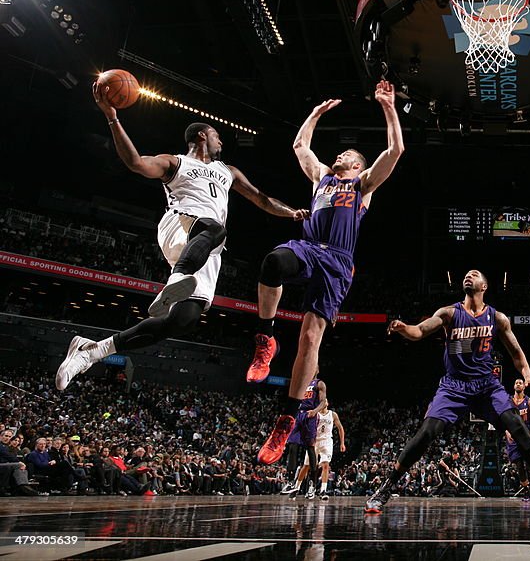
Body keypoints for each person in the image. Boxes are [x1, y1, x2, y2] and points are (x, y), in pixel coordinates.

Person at [56, 86, 307, 391]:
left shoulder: (228, 171)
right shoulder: (175, 162)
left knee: (183, 320)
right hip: (180, 226)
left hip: (208, 250)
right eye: (217, 135)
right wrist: (112, 118)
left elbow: (262, 199)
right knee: (215, 228)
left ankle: (93, 350)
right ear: (201, 135)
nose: (221, 140)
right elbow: (136, 163)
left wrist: (292, 212)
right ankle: (179, 276)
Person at [254, 81, 404, 464]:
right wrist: (316, 114)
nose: (339, 154)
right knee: (272, 262)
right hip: (308, 248)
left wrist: (387, 106)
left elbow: (395, 150)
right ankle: (265, 339)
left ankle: (286, 418)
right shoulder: (321, 176)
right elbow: (300, 147)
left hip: (337, 261)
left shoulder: (362, 185)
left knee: (310, 337)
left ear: (357, 165)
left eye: (347, 154)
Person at [365, 269, 530, 515]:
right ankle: (384, 489)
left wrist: (528, 375)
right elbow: (421, 331)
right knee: (426, 433)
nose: (468, 276)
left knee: (518, 425)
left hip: (486, 386)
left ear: (484, 286)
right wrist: (404, 328)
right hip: (454, 386)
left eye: (475, 274)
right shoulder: (449, 313)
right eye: (466, 274)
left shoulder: (497, 318)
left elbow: (517, 354)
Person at [280, 374, 328, 498]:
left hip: (310, 415)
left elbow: (323, 402)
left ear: (316, 370)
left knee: (310, 448)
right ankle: (291, 481)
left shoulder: (319, 384)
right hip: (298, 415)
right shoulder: (302, 383)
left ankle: (312, 483)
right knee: (292, 446)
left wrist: (315, 411)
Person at [297, 404, 345, 501]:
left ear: (327, 403)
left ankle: (323, 490)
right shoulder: (315, 413)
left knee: (325, 465)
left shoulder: (333, 414)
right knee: (306, 466)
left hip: (326, 441)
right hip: (314, 441)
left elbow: (340, 428)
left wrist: (342, 443)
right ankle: (296, 487)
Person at [506, 378, 530, 501]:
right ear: (514, 386)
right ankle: (526, 491)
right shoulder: (508, 401)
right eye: (516, 383)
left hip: (526, 435)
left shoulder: (529, 402)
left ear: (524, 387)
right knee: (519, 465)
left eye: (520, 383)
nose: (518, 384)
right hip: (513, 436)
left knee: (529, 465)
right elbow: (503, 419)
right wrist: (506, 431)